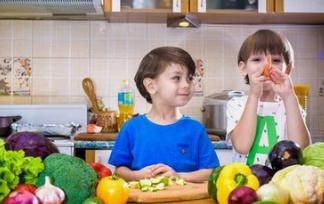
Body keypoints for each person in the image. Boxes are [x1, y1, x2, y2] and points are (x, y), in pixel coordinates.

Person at [109, 46, 219, 182]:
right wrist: (135, 176)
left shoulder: (195, 129)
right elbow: (119, 170)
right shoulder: (131, 128)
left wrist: (178, 176)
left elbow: (211, 172)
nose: (186, 84)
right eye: (177, 78)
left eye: (190, 78)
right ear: (151, 86)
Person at [226, 29, 311, 165]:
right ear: (243, 68)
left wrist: (289, 96)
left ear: (287, 70)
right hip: (246, 182)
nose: (267, 66)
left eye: (275, 60)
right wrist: (254, 95)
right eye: (257, 59)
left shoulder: (290, 106)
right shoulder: (237, 104)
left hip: (281, 183)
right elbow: (242, 147)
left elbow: (302, 149)